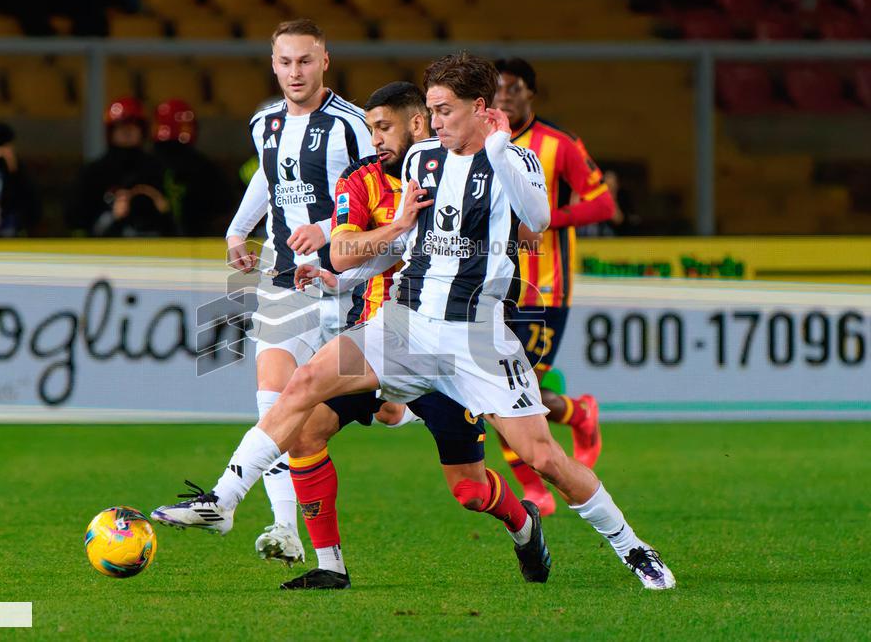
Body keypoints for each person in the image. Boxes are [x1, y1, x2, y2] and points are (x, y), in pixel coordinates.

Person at [152, 54, 676, 590]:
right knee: (305, 383)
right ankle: (225, 498)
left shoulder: (515, 158)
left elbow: (537, 219)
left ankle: (633, 548)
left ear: (480, 108)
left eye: (446, 111)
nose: (436, 122)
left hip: (476, 339)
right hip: (404, 324)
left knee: (542, 458)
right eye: (430, 110)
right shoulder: (422, 159)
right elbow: (404, 243)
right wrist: (341, 272)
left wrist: (497, 146)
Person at [278, 81, 548, 589]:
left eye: (384, 127)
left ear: (418, 124)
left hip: (443, 348)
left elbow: (520, 231)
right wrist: (335, 265)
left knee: (468, 490)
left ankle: (523, 523)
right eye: (371, 129)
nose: (376, 140)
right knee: (306, 430)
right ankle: (330, 565)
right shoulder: (360, 182)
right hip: (377, 339)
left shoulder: (444, 174)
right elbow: (346, 249)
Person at [208, 19, 374, 565]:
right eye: (285, 62)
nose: (294, 72)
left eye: (305, 61)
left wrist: (327, 231)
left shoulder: (353, 126)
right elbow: (271, 177)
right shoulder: (265, 123)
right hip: (282, 275)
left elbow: (377, 193)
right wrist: (239, 229)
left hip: (343, 281)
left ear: (326, 60)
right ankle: (284, 527)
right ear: (273, 64)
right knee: (273, 398)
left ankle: (412, 404)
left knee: (388, 405)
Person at [492, 57, 618, 515]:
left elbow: (603, 204)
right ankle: (570, 424)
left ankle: (542, 478)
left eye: (513, 88)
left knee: (514, 393)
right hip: (489, 288)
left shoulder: (558, 144)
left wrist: (545, 221)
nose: (504, 96)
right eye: (497, 89)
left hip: (544, 290)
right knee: (498, 394)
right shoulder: (476, 144)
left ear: (531, 94)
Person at [69, 96, 173, 237]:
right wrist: (112, 216)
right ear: (110, 131)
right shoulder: (94, 172)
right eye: (120, 125)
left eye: (133, 125)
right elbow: (77, 218)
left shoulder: (157, 169)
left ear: (142, 130)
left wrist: (162, 207)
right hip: (106, 248)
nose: (127, 130)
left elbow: (175, 221)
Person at [151, 98, 235, 236]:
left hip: (148, 246)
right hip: (198, 244)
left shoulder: (146, 163)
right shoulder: (204, 167)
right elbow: (225, 206)